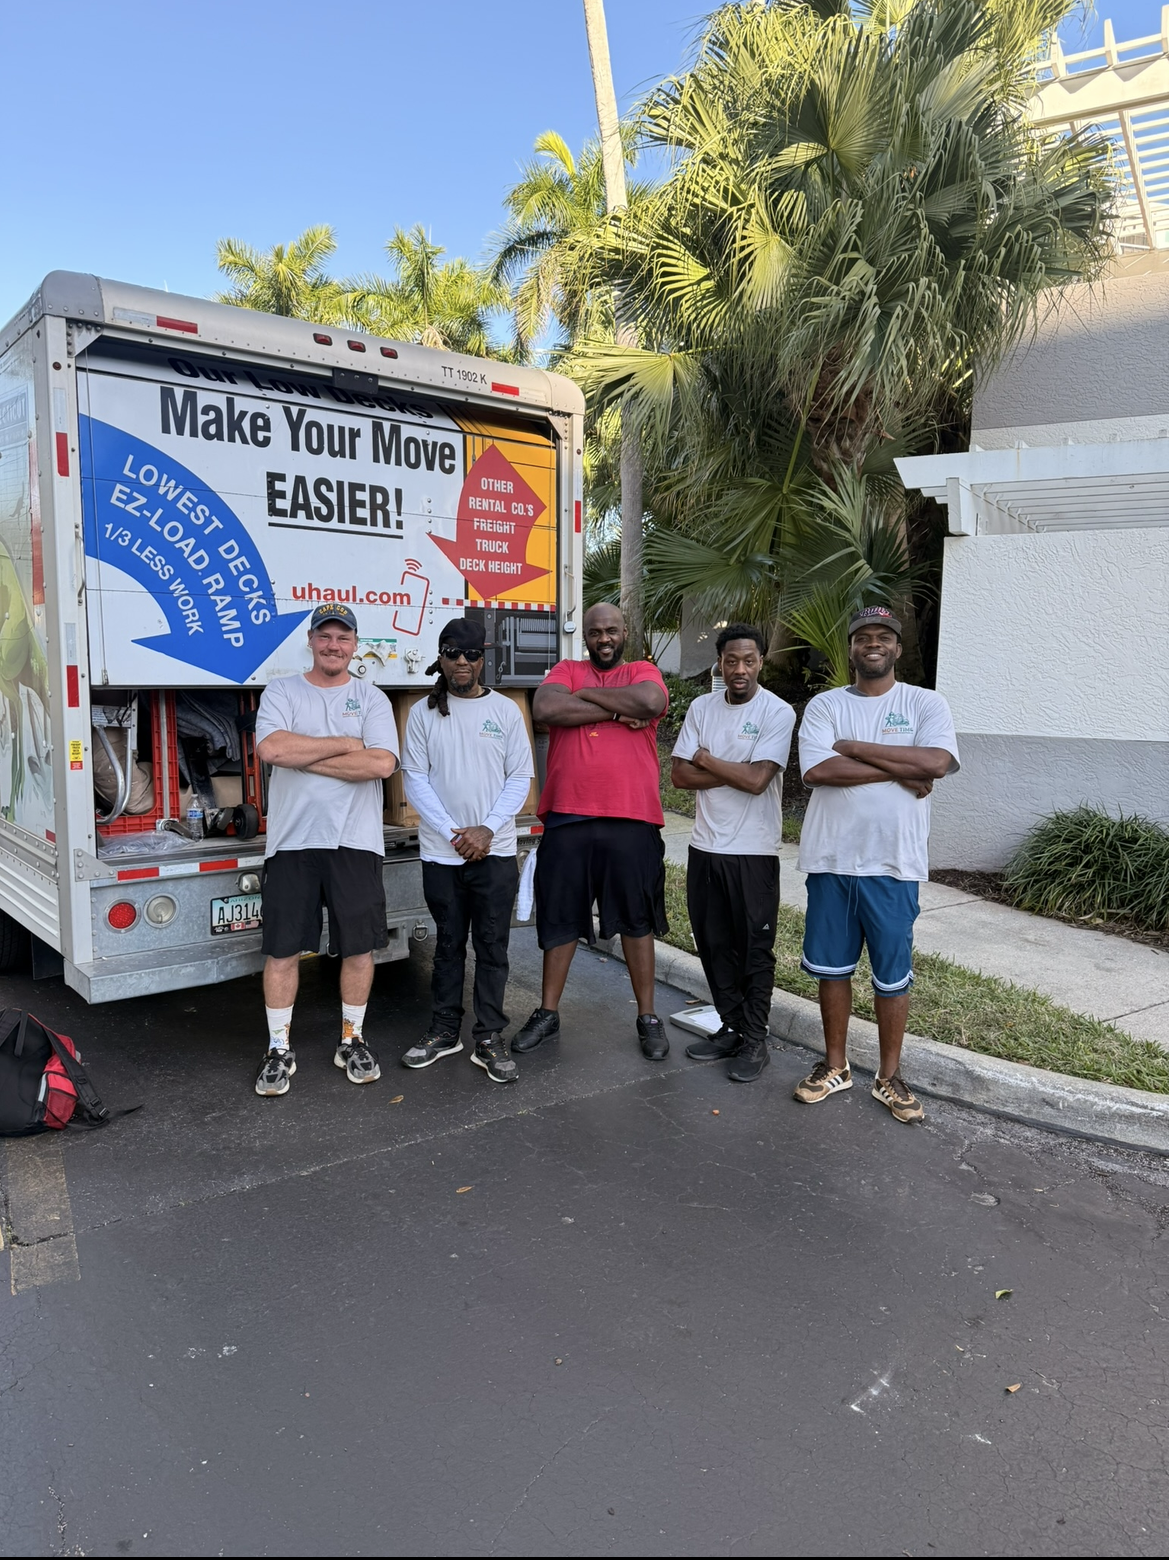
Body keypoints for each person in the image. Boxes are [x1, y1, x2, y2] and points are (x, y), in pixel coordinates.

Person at [793, 605, 959, 1123]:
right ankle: (837, 1067)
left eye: (883, 636)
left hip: (894, 864)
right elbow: (819, 769)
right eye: (863, 636)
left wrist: (854, 748)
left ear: (897, 648)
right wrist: (899, 766)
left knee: (892, 977)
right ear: (850, 647)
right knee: (832, 969)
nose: (873, 643)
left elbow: (936, 763)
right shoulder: (824, 705)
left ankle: (889, 1077)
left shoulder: (925, 702)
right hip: (832, 860)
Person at [511, 602, 671, 1061]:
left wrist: (586, 702)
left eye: (612, 631)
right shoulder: (565, 668)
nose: (604, 639)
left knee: (636, 920)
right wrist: (617, 714)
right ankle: (547, 1012)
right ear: (585, 635)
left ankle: (647, 1017)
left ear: (625, 632)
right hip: (567, 815)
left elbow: (650, 702)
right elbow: (544, 707)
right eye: (596, 632)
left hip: (632, 816)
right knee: (560, 917)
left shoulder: (643, 670)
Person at [252, 603, 399, 1098]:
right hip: (292, 841)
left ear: (355, 644)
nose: (334, 645)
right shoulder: (282, 690)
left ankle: (351, 1040)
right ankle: (278, 1048)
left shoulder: (372, 698)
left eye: (343, 637)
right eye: (325, 636)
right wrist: (341, 743)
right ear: (311, 641)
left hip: (355, 843)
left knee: (358, 948)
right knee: (282, 949)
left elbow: (379, 764)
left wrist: (304, 756)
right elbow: (272, 751)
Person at [399, 617, 535, 1084]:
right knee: (448, 946)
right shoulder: (422, 714)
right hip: (442, 854)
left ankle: (489, 1037)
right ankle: (444, 1030)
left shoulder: (505, 712)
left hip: (493, 854)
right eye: (453, 652)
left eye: (472, 653)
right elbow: (414, 778)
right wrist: (454, 832)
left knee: (492, 947)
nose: (462, 661)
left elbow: (520, 778)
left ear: (485, 658)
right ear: (440, 657)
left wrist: (487, 830)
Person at [670, 624, 795, 1082]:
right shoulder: (703, 707)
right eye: (731, 661)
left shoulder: (777, 712)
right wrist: (731, 769)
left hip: (754, 852)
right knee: (714, 944)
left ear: (761, 661)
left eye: (748, 660)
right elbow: (679, 778)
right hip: (705, 847)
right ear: (719, 664)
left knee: (754, 950)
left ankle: (755, 1040)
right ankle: (731, 1026)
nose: (739, 669)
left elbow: (758, 780)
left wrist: (706, 759)